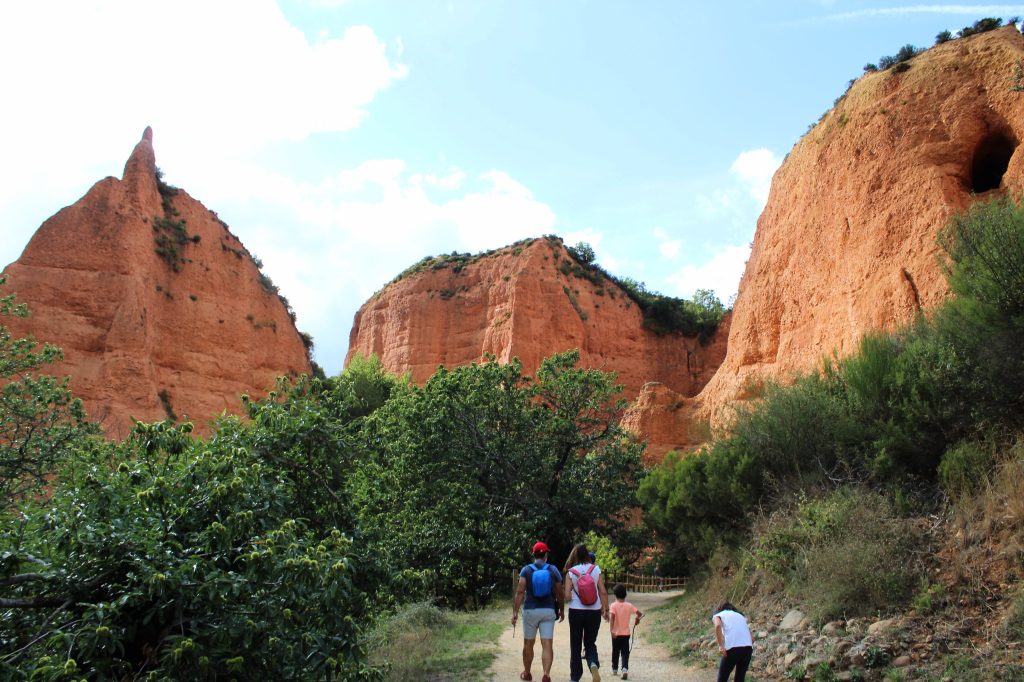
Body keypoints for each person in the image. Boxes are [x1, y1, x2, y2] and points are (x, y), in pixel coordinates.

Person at [512, 541, 563, 682]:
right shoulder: (553, 570)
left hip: (530, 611)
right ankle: (546, 675)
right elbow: (560, 592)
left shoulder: (526, 570)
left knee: (528, 643)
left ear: (534, 554)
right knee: (547, 644)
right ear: (546, 554)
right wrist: (562, 610)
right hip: (548, 610)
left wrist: (515, 612)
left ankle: (527, 673)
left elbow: (520, 591)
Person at [564, 543, 608, 682]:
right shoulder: (595, 569)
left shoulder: (571, 572)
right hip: (594, 611)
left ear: (575, 555)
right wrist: (605, 609)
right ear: (587, 554)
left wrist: (573, 593)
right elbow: (603, 591)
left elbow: (567, 596)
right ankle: (593, 663)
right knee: (590, 642)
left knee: (575, 644)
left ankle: (575, 677)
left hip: (576, 611)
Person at [712, 601, 754, 682]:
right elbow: (752, 639)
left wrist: (721, 646)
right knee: (740, 679)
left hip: (733, 648)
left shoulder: (718, 615)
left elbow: (717, 625)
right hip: (748, 649)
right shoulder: (741, 616)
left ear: (719, 609)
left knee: (722, 678)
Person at [608, 583, 643, 679]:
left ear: (615, 595)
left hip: (616, 634)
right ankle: (624, 669)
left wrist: (611, 630)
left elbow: (612, 618)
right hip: (626, 634)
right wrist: (637, 619)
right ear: (625, 594)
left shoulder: (613, 605)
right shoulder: (629, 605)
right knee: (625, 652)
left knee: (615, 651)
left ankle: (615, 669)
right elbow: (640, 614)